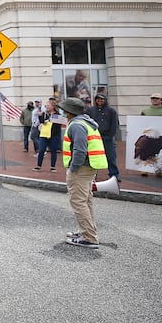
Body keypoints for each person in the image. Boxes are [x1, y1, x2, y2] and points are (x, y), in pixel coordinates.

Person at [60, 97, 108, 249]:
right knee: (86, 201)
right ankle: (87, 231)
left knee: (78, 202)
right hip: (89, 167)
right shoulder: (86, 122)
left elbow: (80, 150)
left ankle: (89, 238)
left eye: (64, 109)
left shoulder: (77, 125)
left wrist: (73, 168)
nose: (62, 111)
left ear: (69, 111)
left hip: (81, 169)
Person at [85, 93, 121, 182]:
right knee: (93, 156)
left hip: (107, 137)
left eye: (102, 99)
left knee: (110, 156)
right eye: (98, 99)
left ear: (105, 100)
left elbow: (114, 124)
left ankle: (114, 174)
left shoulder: (111, 111)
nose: (100, 101)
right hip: (94, 137)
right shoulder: (91, 110)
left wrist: (110, 135)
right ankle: (93, 174)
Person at [34, 100, 61, 172]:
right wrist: (40, 116)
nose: (47, 107)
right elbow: (42, 122)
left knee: (53, 151)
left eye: (48, 105)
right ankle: (38, 165)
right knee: (41, 150)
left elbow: (59, 124)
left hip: (53, 135)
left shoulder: (57, 114)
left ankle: (53, 166)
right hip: (44, 134)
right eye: (46, 105)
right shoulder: (44, 114)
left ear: (53, 106)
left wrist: (50, 120)